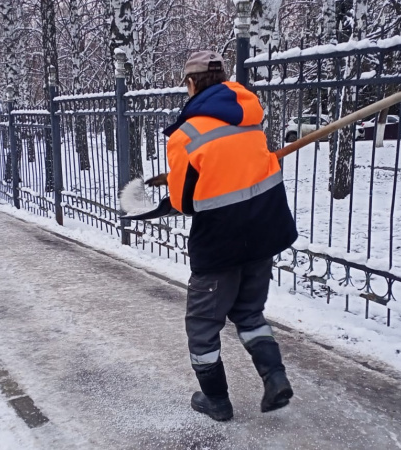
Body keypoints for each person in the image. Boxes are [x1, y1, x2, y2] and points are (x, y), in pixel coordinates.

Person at [153, 51, 298, 422]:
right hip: (264, 234)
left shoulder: (186, 135)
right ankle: (275, 376)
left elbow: (184, 202)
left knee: (203, 327)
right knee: (249, 313)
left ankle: (215, 399)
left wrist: (176, 191)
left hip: (220, 245)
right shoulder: (252, 120)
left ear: (190, 84)